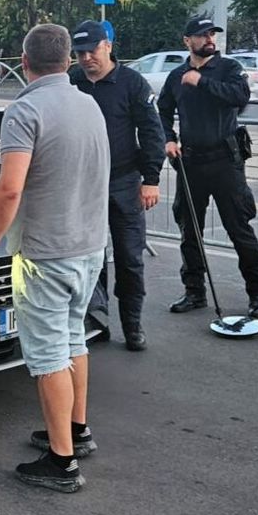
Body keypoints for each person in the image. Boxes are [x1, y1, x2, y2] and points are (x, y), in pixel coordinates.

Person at [0, 23, 109, 493]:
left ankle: (62, 463)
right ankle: (76, 430)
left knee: (49, 353)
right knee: (74, 338)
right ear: (69, 60)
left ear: (22, 61)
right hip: (89, 246)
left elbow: (9, 189)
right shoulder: (88, 103)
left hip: (46, 254)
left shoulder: (25, 110)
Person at [158, 16, 258, 320]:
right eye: (202, 35)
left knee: (239, 228)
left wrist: (203, 81)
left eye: (212, 34)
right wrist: (168, 139)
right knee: (189, 230)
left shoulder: (228, 69)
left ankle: (257, 293)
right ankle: (194, 291)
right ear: (187, 41)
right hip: (190, 162)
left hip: (225, 161)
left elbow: (240, 97)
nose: (209, 39)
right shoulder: (176, 76)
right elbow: (163, 111)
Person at [68, 20, 165, 352]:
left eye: (91, 50)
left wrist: (151, 179)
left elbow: (152, 132)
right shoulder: (72, 82)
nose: (85, 58)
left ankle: (132, 325)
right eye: (79, 53)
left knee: (129, 256)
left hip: (124, 181)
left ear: (107, 45)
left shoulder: (132, 83)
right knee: (89, 258)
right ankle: (97, 322)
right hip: (84, 184)